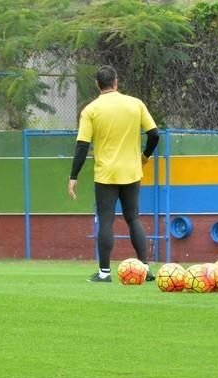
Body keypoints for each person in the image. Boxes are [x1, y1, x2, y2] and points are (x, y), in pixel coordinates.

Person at [68, 65, 159, 282]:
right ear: (116, 82)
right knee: (133, 218)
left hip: (106, 174)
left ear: (98, 84)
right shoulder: (136, 104)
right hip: (132, 171)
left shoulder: (90, 110)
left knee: (106, 221)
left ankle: (104, 273)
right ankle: (145, 270)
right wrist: (144, 156)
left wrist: (73, 176)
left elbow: (82, 146)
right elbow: (154, 135)